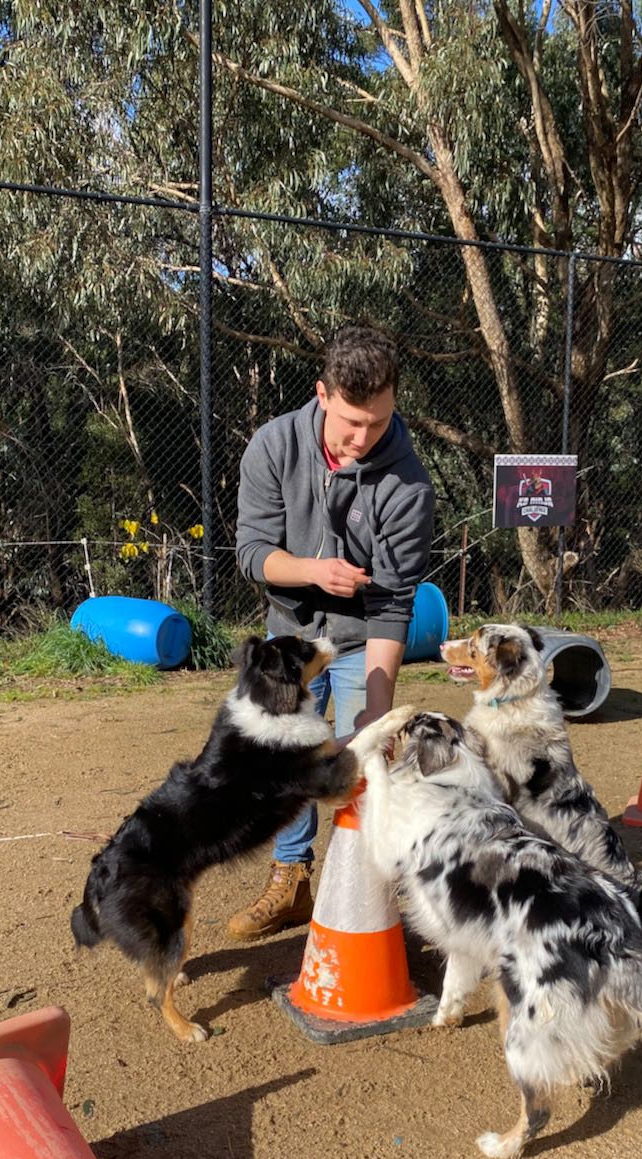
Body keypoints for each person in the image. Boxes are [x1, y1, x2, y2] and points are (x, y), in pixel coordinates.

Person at [227, 324, 435, 940]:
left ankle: (375, 897)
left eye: (378, 422)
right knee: (283, 756)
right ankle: (291, 878)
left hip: (360, 638)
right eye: (351, 422)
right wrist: (313, 571)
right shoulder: (274, 445)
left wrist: (377, 709)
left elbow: (393, 601)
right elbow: (251, 553)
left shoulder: (408, 484)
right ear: (323, 394)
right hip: (291, 637)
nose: (362, 438)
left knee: (365, 762)